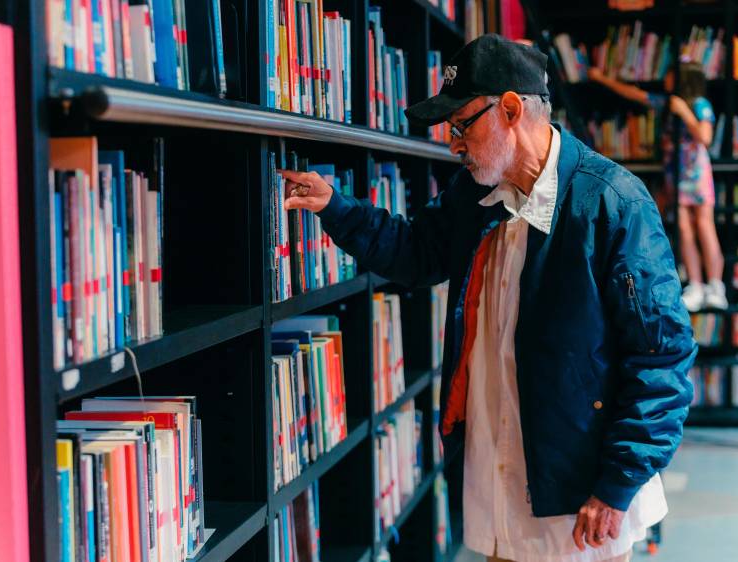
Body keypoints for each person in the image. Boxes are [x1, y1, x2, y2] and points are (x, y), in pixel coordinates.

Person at [282, 34, 697, 562]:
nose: (453, 145)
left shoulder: (613, 203)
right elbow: (415, 252)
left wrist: (618, 484)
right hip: (500, 486)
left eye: (461, 126)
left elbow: (661, 357)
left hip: (579, 501)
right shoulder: (474, 195)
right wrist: (335, 208)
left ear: (510, 110)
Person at [588, 62, 727, 312]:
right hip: (676, 174)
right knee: (684, 228)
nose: (666, 78)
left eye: (672, 74)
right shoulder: (666, 103)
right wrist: (602, 79)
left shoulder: (698, 104)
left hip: (696, 173)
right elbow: (635, 94)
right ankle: (696, 284)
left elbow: (705, 137)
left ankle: (716, 286)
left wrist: (684, 112)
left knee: (704, 225)